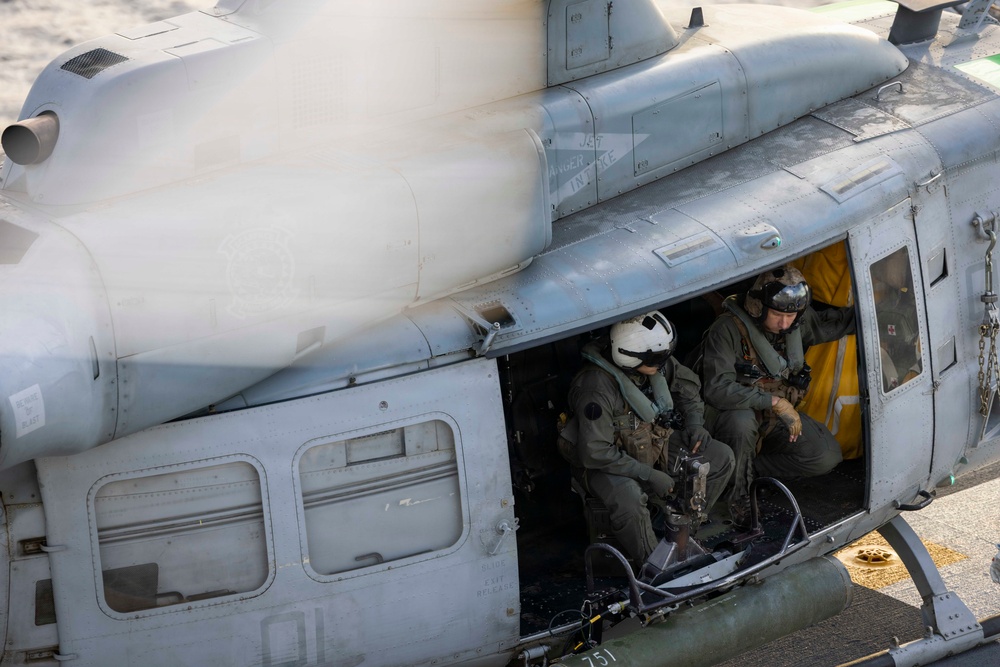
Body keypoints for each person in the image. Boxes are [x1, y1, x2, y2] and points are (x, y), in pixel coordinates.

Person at [558, 312, 734, 564]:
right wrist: (649, 475)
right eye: (657, 360)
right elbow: (595, 452)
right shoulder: (595, 388)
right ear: (629, 358)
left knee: (720, 457)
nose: (664, 364)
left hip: (649, 441)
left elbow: (688, 389)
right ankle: (656, 567)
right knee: (628, 498)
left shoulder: (654, 362)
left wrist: (695, 423)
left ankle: (679, 533)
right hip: (603, 462)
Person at [700, 266, 855, 527]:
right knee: (741, 423)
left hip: (772, 419)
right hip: (731, 418)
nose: (784, 323)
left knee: (824, 456)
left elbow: (831, 324)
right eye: (776, 315)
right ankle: (739, 500)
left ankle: (746, 470)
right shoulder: (727, 330)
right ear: (758, 306)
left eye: (791, 315)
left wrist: (883, 311)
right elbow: (716, 387)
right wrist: (773, 401)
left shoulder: (794, 325)